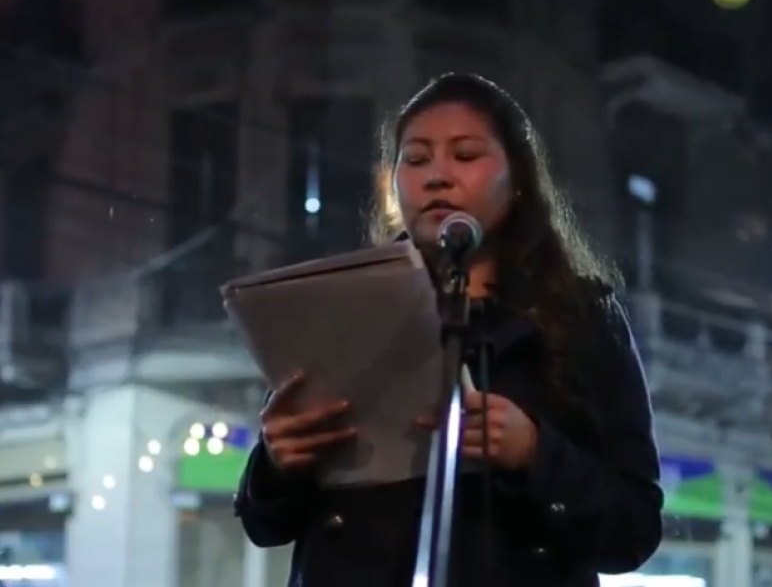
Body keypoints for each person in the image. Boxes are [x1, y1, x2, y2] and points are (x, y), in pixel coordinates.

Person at [233, 72, 664, 587]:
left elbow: (633, 531)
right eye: (415, 159)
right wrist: (276, 461)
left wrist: (534, 453)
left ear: (519, 178)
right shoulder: (341, 305)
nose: (437, 176)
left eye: (465, 155)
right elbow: (266, 526)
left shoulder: (582, 317)